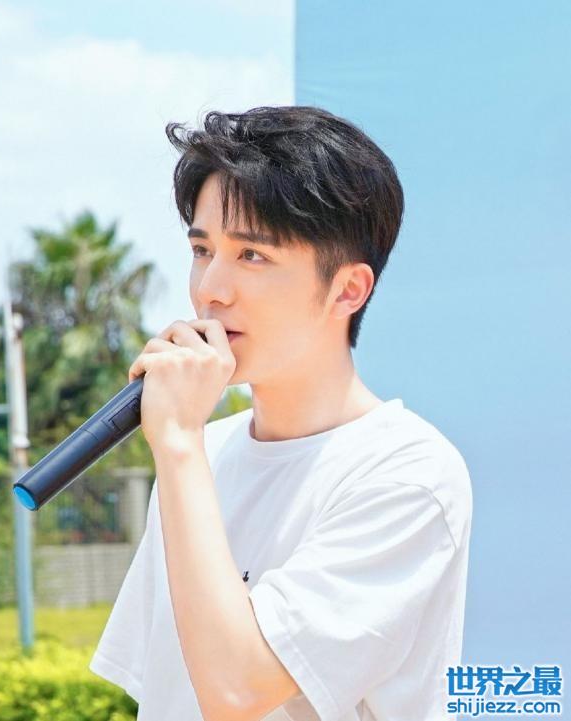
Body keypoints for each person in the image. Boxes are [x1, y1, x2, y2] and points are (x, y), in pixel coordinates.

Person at [89, 105, 473, 721]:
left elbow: (237, 691)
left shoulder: (408, 475)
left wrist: (180, 443)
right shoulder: (202, 452)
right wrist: (185, 447)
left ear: (348, 290)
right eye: (202, 249)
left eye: (252, 256)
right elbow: (166, 694)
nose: (210, 289)